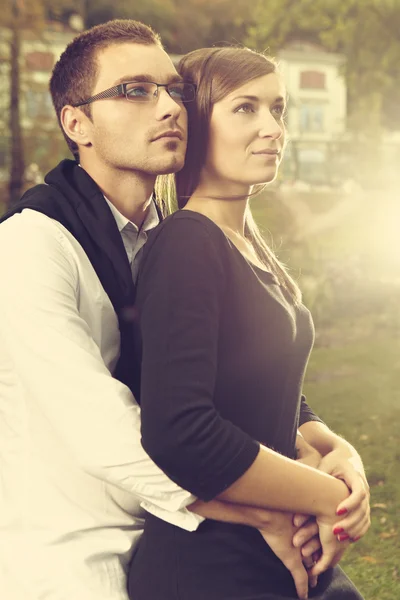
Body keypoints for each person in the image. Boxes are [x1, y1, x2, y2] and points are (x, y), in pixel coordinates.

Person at [0, 20, 328, 600]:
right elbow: (109, 434)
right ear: (76, 124)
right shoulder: (30, 245)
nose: (169, 107)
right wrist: (266, 510)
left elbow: (234, 361)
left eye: (173, 88)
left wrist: (313, 435)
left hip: (167, 539)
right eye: (134, 90)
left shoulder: (163, 236)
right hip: (69, 558)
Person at [128, 46, 370, 600]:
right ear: (194, 124)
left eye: (278, 109)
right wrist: (327, 497)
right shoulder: (188, 243)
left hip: (282, 553)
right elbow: (182, 431)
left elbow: (271, 386)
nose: (273, 129)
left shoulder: (246, 245)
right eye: (245, 109)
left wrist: (340, 453)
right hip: (214, 568)